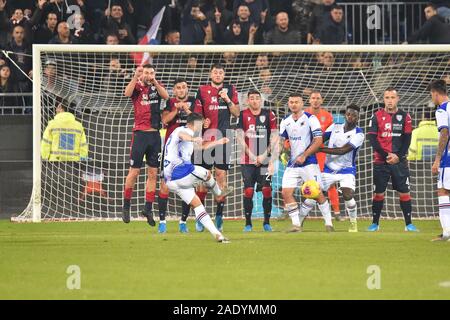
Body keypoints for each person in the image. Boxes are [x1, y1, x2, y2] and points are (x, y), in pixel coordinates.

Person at [164, 112, 232, 243]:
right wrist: (192, 139)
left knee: (197, 205)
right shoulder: (182, 130)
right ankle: (218, 193)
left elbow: (200, 147)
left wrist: (218, 142)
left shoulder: (190, 135)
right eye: (200, 124)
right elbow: (182, 136)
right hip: (180, 172)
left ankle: (217, 235)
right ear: (193, 123)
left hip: (172, 182)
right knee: (206, 173)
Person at [193, 63, 240, 232]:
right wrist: (202, 121)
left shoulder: (230, 89)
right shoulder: (202, 89)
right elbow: (196, 115)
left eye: (221, 72)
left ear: (224, 75)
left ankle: (219, 216)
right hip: (205, 140)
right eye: (215, 72)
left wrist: (227, 99)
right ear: (210, 74)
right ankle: (201, 218)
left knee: (221, 178)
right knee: (203, 180)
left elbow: (236, 113)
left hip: (224, 139)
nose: (218, 75)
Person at [280, 92, 334, 232]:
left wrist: (304, 155)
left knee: (317, 193)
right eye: (291, 102)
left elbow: (318, 141)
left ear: (302, 103)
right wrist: (281, 153)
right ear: (288, 104)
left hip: (309, 162)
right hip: (293, 164)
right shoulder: (285, 121)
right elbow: (281, 142)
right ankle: (297, 225)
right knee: (286, 193)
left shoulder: (311, 119)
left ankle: (329, 223)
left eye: (296, 102)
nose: (293, 104)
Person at [122, 64, 169, 226]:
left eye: (151, 72)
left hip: (155, 135)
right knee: (134, 172)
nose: (148, 75)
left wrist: (155, 81)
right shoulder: (136, 87)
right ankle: (126, 206)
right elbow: (126, 93)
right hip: (140, 135)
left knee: (153, 174)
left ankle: (147, 208)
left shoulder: (157, 86)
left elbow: (167, 96)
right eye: (145, 72)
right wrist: (136, 77)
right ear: (141, 74)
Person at [367, 87, 418, 232]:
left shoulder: (405, 116)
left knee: (404, 192)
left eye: (392, 97)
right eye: (387, 98)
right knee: (378, 193)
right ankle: (375, 224)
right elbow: (372, 138)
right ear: (383, 99)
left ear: (398, 99)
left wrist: (398, 156)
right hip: (381, 161)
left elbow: (407, 139)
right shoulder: (375, 116)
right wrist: (386, 156)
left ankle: (408, 224)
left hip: (399, 161)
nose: (390, 100)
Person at [158, 78, 201, 233]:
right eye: (178, 88)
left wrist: (187, 110)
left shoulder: (195, 102)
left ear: (187, 89)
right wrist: (177, 109)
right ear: (174, 91)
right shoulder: (169, 103)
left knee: (188, 185)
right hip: (172, 151)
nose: (181, 90)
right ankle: (162, 222)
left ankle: (183, 222)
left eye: (184, 87)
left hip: (189, 149)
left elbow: (198, 123)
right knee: (165, 185)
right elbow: (164, 120)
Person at [319, 104, 364, 232]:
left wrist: (320, 149)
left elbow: (342, 151)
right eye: (349, 114)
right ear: (345, 114)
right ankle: (302, 222)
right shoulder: (335, 126)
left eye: (354, 115)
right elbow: (320, 138)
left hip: (346, 169)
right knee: (314, 193)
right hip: (329, 168)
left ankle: (353, 222)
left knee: (347, 194)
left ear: (357, 117)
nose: (351, 117)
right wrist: (310, 146)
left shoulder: (359, 134)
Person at [236, 90, 278, 232]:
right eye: (251, 98)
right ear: (247, 101)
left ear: (261, 100)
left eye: (257, 98)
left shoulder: (269, 114)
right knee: (248, 191)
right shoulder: (242, 115)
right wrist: (253, 156)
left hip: (265, 160)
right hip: (248, 160)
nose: (254, 101)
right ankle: (248, 223)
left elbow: (274, 138)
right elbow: (240, 138)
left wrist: (266, 156)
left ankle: (266, 222)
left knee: (266, 190)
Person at [305, 90, 341, 220]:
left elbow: (332, 135)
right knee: (299, 182)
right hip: (306, 153)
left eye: (317, 98)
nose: (315, 100)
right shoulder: (304, 114)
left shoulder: (327, 116)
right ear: (309, 100)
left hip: (321, 154)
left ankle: (337, 212)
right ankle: (288, 209)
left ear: (321, 100)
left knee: (329, 182)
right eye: (313, 98)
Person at [430, 80, 450, 241]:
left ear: (436, 93)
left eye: (432, 95)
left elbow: (444, 132)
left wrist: (437, 159)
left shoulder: (442, 110)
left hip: (447, 159)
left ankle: (447, 233)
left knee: (443, 191)